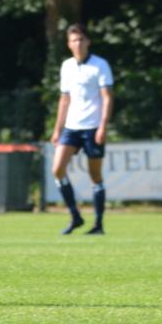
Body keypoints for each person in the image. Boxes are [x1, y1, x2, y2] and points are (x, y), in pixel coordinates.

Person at [49, 23, 114, 235]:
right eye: (73, 40)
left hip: (92, 127)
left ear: (87, 41)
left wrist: (103, 126)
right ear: (69, 44)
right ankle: (75, 216)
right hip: (71, 127)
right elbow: (64, 99)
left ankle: (98, 224)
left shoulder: (100, 65)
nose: (77, 44)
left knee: (95, 175)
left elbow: (107, 97)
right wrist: (57, 128)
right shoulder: (66, 66)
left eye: (80, 39)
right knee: (57, 170)